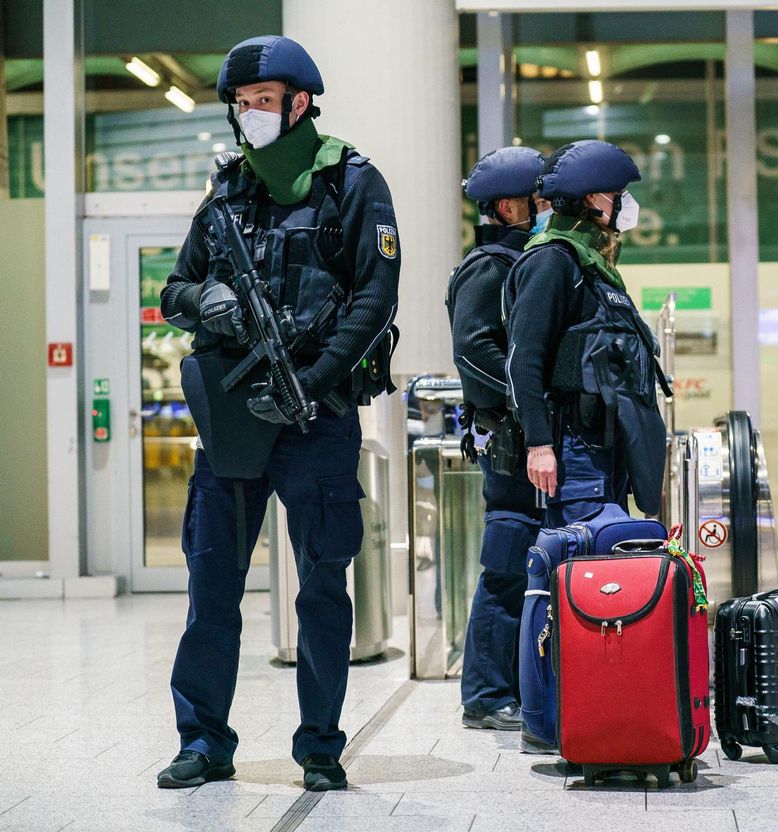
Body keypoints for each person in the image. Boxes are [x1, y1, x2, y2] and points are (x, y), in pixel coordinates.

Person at [156, 35, 400, 792]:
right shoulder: (227, 189)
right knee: (211, 587)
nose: (248, 114)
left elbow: (374, 295)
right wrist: (212, 303)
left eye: (262, 101)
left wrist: (319, 375)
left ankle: (321, 745)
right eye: (241, 103)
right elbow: (174, 289)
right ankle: (203, 741)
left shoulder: (353, 183)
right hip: (232, 417)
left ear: (299, 104)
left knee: (324, 584)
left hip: (316, 417)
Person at [504, 140, 671, 529]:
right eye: (618, 195)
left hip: (607, 450)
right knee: (585, 567)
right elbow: (524, 356)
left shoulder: (593, 264)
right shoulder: (552, 260)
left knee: (610, 565)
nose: (625, 203)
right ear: (593, 198)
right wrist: (539, 444)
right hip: (575, 452)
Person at [447, 146, 550, 731]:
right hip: (508, 438)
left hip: (518, 432)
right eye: (537, 201)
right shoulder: (489, 265)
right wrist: (526, 399)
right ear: (508, 206)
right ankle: (485, 695)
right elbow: (473, 351)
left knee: (526, 560)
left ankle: (516, 684)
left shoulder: (524, 259)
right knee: (508, 561)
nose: (545, 210)